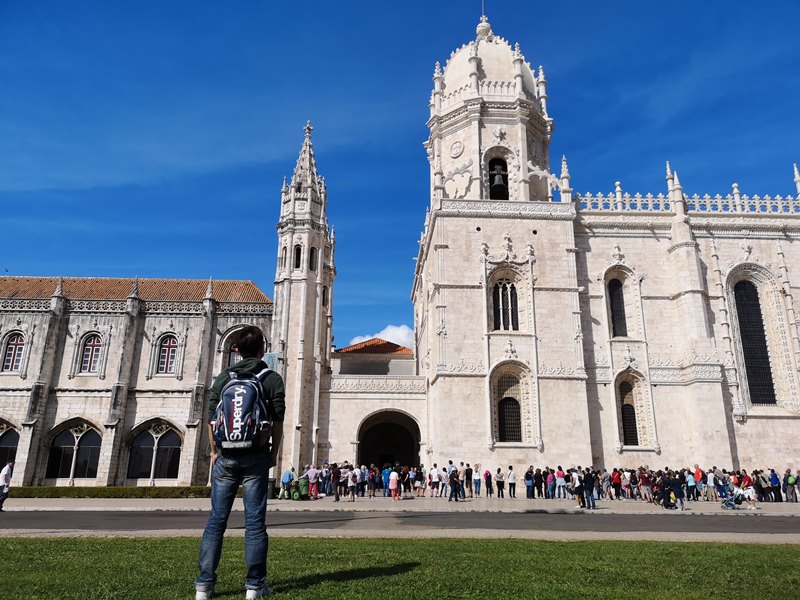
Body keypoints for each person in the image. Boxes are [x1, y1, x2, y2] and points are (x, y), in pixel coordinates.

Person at [196, 325, 285, 600]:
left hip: (225, 457)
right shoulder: (271, 378)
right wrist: (274, 453)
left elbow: (212, 418)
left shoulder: (224, 377)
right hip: (256, 456)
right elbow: (278, 422)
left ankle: (204, 587)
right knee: (255, 522)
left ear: (236, 350)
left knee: (215, 522)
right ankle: (254, 587)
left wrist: (214, 451)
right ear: (263, 350)